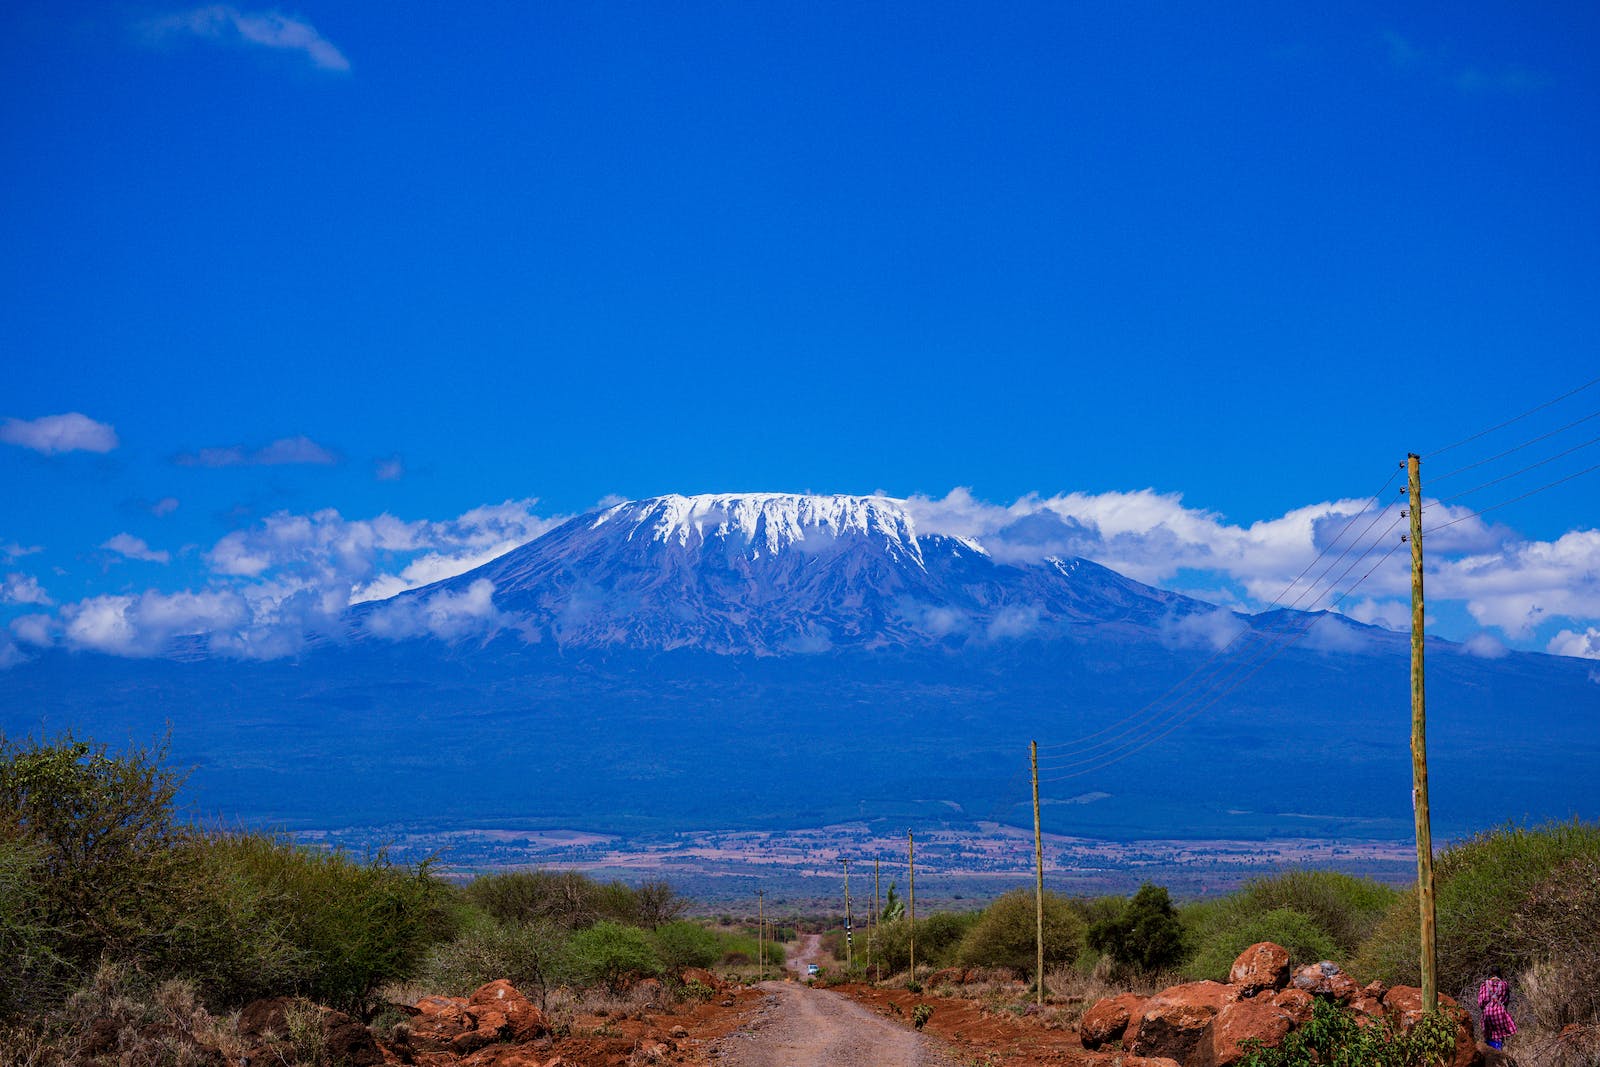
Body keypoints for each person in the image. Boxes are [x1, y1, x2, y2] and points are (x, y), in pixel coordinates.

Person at [1478, 966, 1517, 1051]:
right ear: (1500, 973)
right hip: (1500, 1012)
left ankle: (1491, 1054)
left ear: (1491, 973)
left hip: (1488, 1013)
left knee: (1489, 1035)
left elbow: (1481, 1002)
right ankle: (1499, 1052)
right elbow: (1506, 1000)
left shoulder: (1485, 984)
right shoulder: (1504, 984)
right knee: (1500, 1035)